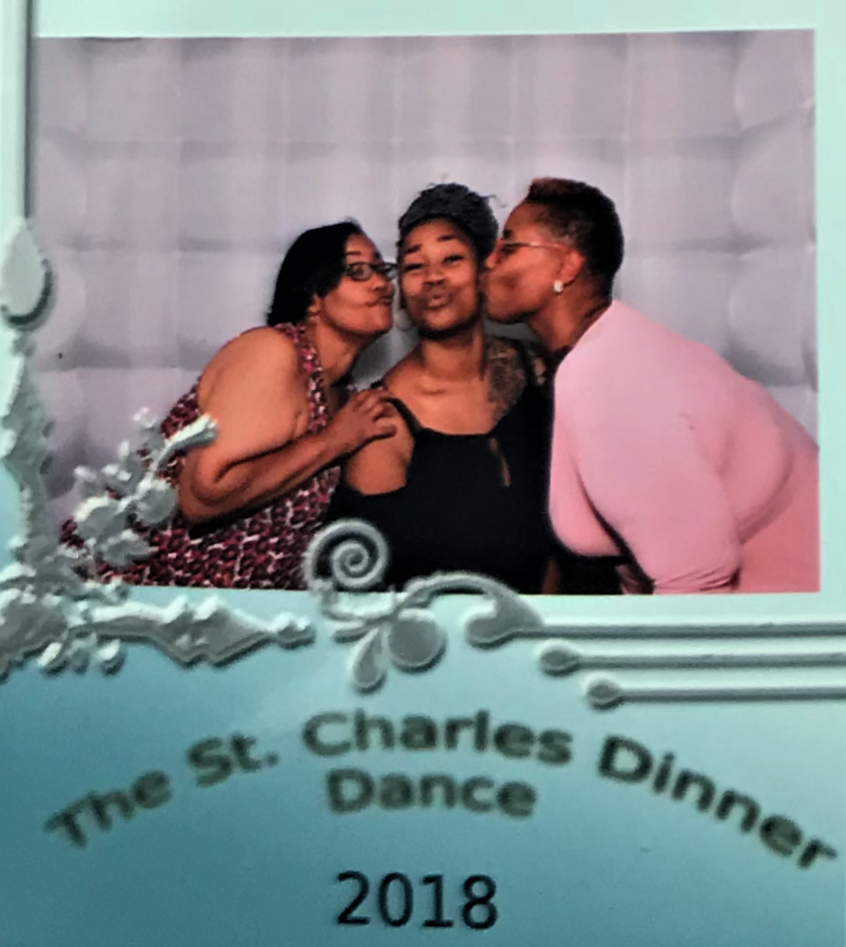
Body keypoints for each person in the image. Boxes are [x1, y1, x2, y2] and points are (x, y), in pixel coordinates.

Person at [483, 177, 819, 594]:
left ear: (565, 267)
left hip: (804, 635)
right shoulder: (609, 349)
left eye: (509, 246)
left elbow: (697, 578)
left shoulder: (608, 373)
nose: (490, 261)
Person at [61, 220, 397, 589]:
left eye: (382, 270)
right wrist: (333, 442)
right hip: (127, 594)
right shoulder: (276, 353)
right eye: (357, 271)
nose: (382, 284)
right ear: (314, 297)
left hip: (225, 617)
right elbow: (201, 497)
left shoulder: (342, 396)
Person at [328, 183, 561, 594]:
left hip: (548, 635)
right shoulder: (384, 421)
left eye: (451, 259)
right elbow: (365, 587)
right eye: (415, 266)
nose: (433, 277)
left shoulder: (537, 369)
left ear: (484, 272)